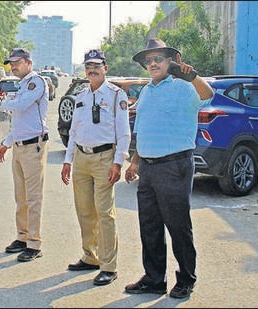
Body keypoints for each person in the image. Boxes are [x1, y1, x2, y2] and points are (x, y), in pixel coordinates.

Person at [124, 39, 214, 299]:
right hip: (148, 169)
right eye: (148, 60)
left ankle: (186, 279)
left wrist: (193, 76)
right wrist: (135, 162)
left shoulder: (184, 87)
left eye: (158, 59)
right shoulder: (147, 91)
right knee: (149, 226)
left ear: (170, 61)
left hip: (174, 166)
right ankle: (154, 279)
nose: (152, 64)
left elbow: (208, 95)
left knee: (178, 226)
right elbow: (142, 129)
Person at [60, 49, 131, 285]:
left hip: (104, 159)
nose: (92, 69)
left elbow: (124, 132)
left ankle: (109, 266)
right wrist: (68, 160)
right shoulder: (81, 95)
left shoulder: (115, 95)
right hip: (81, 158)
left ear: (105, 68)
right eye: (88, 66)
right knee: (84, 211)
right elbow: (73, 131)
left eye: (97, 66)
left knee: (105, 213)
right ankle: (91, 257)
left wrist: (118, 162)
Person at [0, 48, 50, 262]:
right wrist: (6, 143)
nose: (13, 67)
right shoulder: (21, 85)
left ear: (28, 62)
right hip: (19, 146)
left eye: (17, 62)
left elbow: (21, 105)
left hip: (33, 147)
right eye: (11, 63)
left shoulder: (35, 82)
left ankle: (34, 243)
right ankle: (23, 236)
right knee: (21, 197)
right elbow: (19, 121)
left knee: (33, 197)